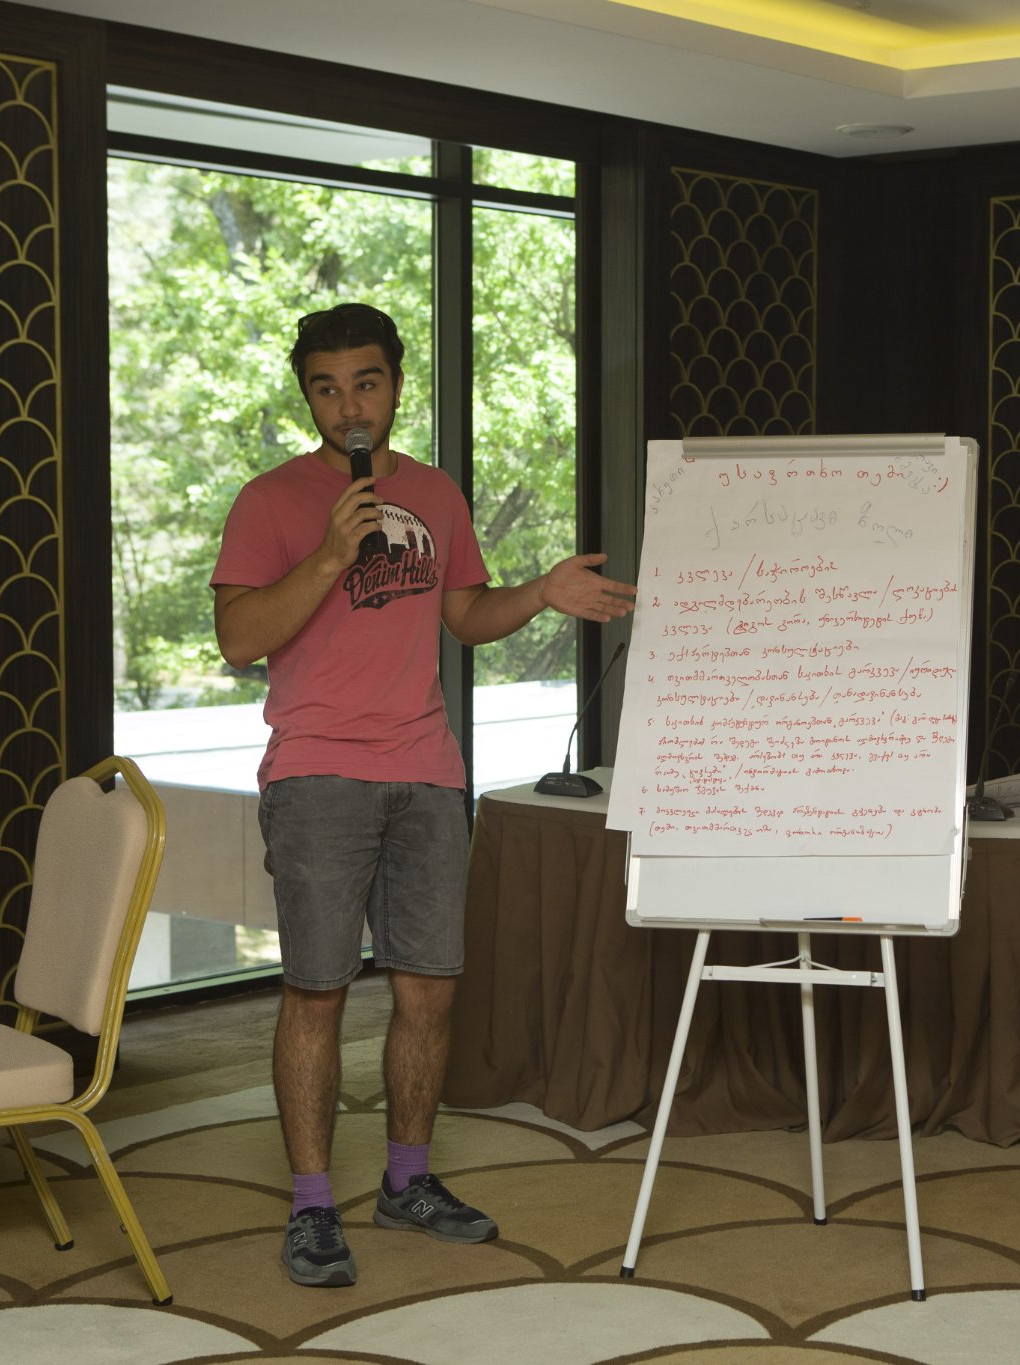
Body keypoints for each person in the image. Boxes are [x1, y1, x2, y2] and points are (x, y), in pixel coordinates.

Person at [211, 303, 636, 1289]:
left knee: (429, 990)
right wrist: (328, 554)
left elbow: (466, 617)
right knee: (316, 990)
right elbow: (238, 640)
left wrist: (540, 593)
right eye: (326, 388)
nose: (348, 406)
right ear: (308, 398)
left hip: (428, 771)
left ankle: (407, 1181)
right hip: (317, 773)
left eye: (365, 382)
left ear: (397, 386)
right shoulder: (269, 501)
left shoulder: (437, 494)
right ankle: (313, 1205)